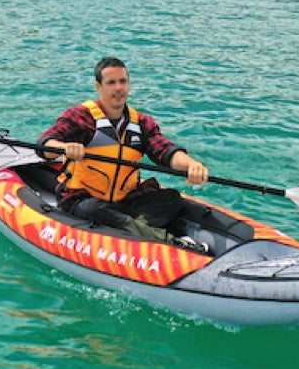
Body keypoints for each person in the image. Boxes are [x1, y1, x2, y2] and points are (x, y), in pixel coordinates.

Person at [38, 57, 210, 251]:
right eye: (111, 83)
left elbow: (165, 151)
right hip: (85, 199)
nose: (118, 88)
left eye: (123, 81)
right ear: (99, 86)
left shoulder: (142, 123)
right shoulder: (80, 117)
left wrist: (191, 165)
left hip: (126, 200)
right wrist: (64, 148)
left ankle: (126, 227)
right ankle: (170, 243)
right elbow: (45, 146)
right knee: (93, 210)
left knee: (171, 198)